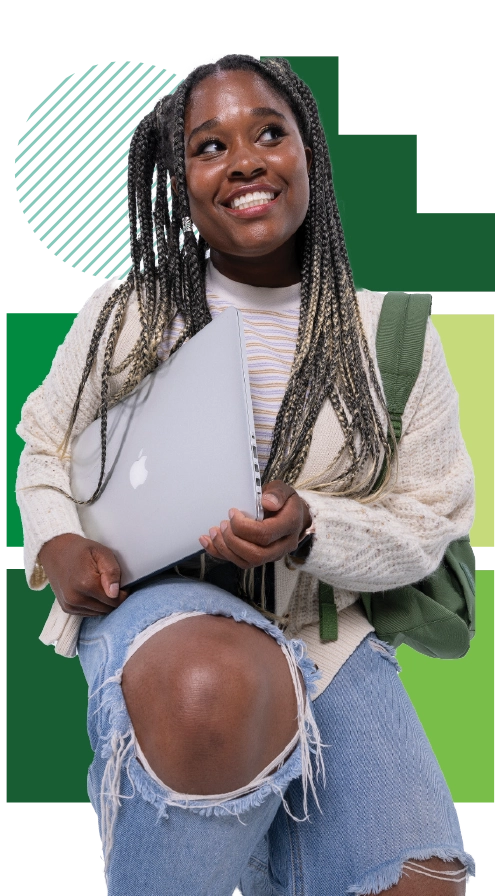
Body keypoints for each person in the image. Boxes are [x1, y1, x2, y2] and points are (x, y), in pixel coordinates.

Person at [16, 54, 476, 895]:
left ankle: (255, 837)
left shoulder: (390, 334)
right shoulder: (134, 313)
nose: (245, 160)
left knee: (422, 881)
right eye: (209, 146)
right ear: (179, 181)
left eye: (270, 132)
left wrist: (311, 530)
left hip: (323, 628)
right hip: (161, 607)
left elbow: (429, 517)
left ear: (310, 154)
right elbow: (43, 444)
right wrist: (57, 541)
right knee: (214, 686)